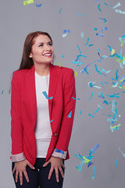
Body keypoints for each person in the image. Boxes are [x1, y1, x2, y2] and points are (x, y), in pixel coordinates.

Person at [10, 31, 76, 188]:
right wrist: (18, 157)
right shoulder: (19, 77)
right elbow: (16, 119)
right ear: (30, 53)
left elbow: (68, 117)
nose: (48, 48)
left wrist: (59, 154)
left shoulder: (66, 75)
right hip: (25, 156)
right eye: (41, 45)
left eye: (50, 44)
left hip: (53, 156)